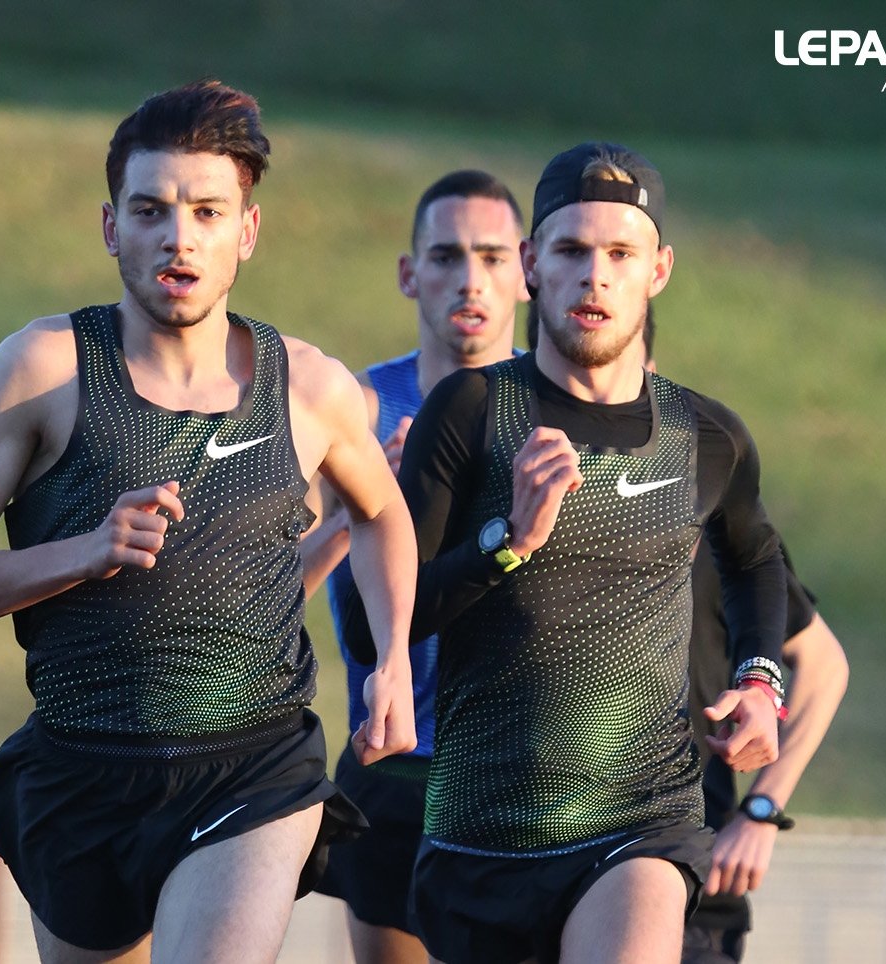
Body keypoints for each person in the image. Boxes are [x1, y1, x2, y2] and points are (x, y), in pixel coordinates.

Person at [0, 80, 419, 964]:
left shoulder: (311, 388)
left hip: (252, 765)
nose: (180, 237)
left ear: (245, 232)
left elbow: (383, 515)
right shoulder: (46, 370)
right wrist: (86, 552)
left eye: (209, 212)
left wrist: (394, 658)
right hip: (81, 775)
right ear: (112, 228)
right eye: (152, 210)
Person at [341, 141, 789, 964]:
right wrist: (504, 540)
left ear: (658, 270)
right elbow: (379, 630)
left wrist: (760, 682)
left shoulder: (705, 435)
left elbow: (757, 561)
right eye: (573, 250)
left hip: (642, 820)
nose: (596, 275)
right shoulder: (471, 411)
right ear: (532, 266)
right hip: (483, 835)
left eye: (621, 253)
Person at [304, 170, 529, 964]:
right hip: (395, 766)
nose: (471, 279)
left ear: (527, 270)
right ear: (410, 273)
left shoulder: (555, 415)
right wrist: (355, 513)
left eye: (495, 257)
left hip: (521, 770)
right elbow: (266, 589)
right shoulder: (357, 410)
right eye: (447, 256)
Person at [637, 316, 851, 962]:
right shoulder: (516, 493)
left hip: (692, 873)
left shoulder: (708, 502)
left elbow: (823, 664)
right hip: (531, 854)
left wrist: (761, 811)